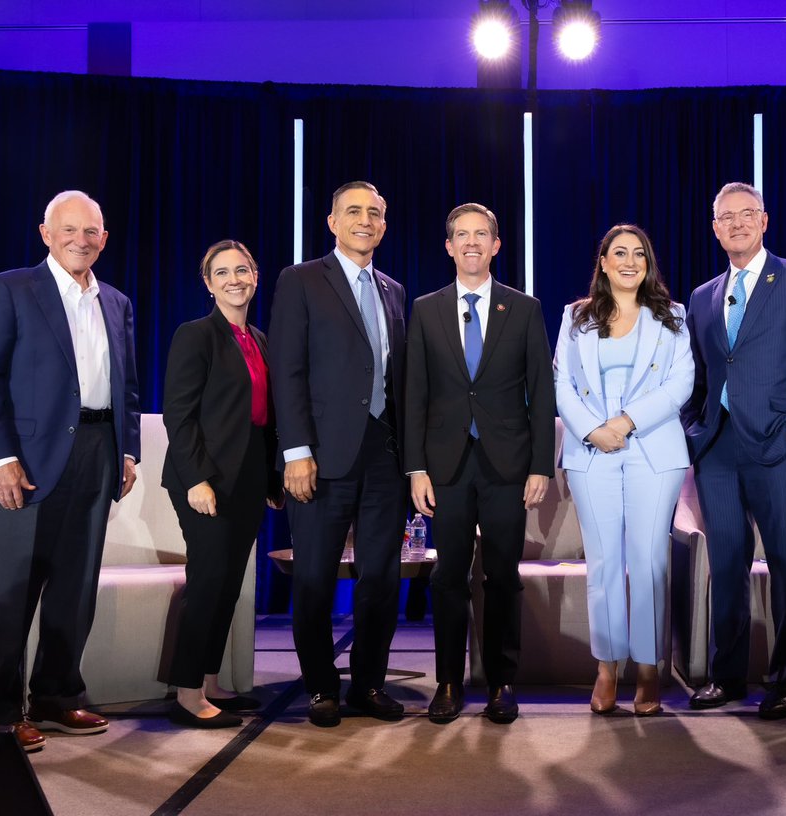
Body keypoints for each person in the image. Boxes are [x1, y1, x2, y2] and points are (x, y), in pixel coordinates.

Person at [0, 190, 140, 752]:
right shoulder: (10, 288)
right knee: (12, 593)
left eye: (91, 232)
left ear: (104, 240)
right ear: (46, 233)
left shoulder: (116, 301)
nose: (80, 240)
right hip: (26, 460)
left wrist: (127, 451)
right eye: (69, 229)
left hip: (97, 454)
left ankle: (58, 697)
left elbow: (127, 386)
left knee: (76, 588)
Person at [681, 182, 786, 719]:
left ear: (765, 221)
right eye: (727, 217)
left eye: (748, 214)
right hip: (718, 447)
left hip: (779, 442)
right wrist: (693, 430)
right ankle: (727, 676)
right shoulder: (702, 296)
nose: (738, 224)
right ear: (715, 228)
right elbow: (699, 375)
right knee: (726, 563)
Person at [405, 203, 555, 724]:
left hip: (507, 465)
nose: (471, 242)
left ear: (496, 244)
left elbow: (542, 391)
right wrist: (415, 469)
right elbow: (415, 395)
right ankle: (447, 682)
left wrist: (541, 466)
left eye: (482, 234)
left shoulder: (525, 308)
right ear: (448, 246)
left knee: (502, 576)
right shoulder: (425, 309)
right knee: (447, 576)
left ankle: (501, 682)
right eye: (461, 235)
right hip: (444, 465)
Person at [269, 181, 409, 728]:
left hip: (385, 454)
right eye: (354, 211)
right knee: (315, 578)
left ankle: (368, 684)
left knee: (380, 575)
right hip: (321, 455)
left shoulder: (394, 291)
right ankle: (322, 687)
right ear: (332, 222)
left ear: (384, 224)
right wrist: (296, 451)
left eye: (375, 212)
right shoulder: (301, 280)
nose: (365, 220)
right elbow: (288, 369)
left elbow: (399, 381)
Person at [553, 224, 694, 716]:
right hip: (592, 452)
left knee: (650, 562)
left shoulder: (672, 317)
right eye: (620, 253)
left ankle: (650, 669)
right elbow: (561, 384)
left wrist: (627, 422)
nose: (630, 260)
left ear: (647, 263)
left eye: (639, 253)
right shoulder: (575, 317)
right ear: (604, 262)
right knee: (605, 564)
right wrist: (594, 430)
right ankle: (607, 667)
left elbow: (682, 383)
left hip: (652, 451)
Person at [162, 240, 284, 729]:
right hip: (205, 480)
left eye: (242, 270)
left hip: (250, 477)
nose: (234, 279)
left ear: (255, 276)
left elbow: (266, 417)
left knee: (229, 584)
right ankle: (188, 693)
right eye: (222, 272)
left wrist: (273, 477)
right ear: (208, 283)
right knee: (209, 582)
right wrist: (197, 479)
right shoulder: (196, 336)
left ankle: (210, 681)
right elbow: (180, 413)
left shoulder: (260, 337)